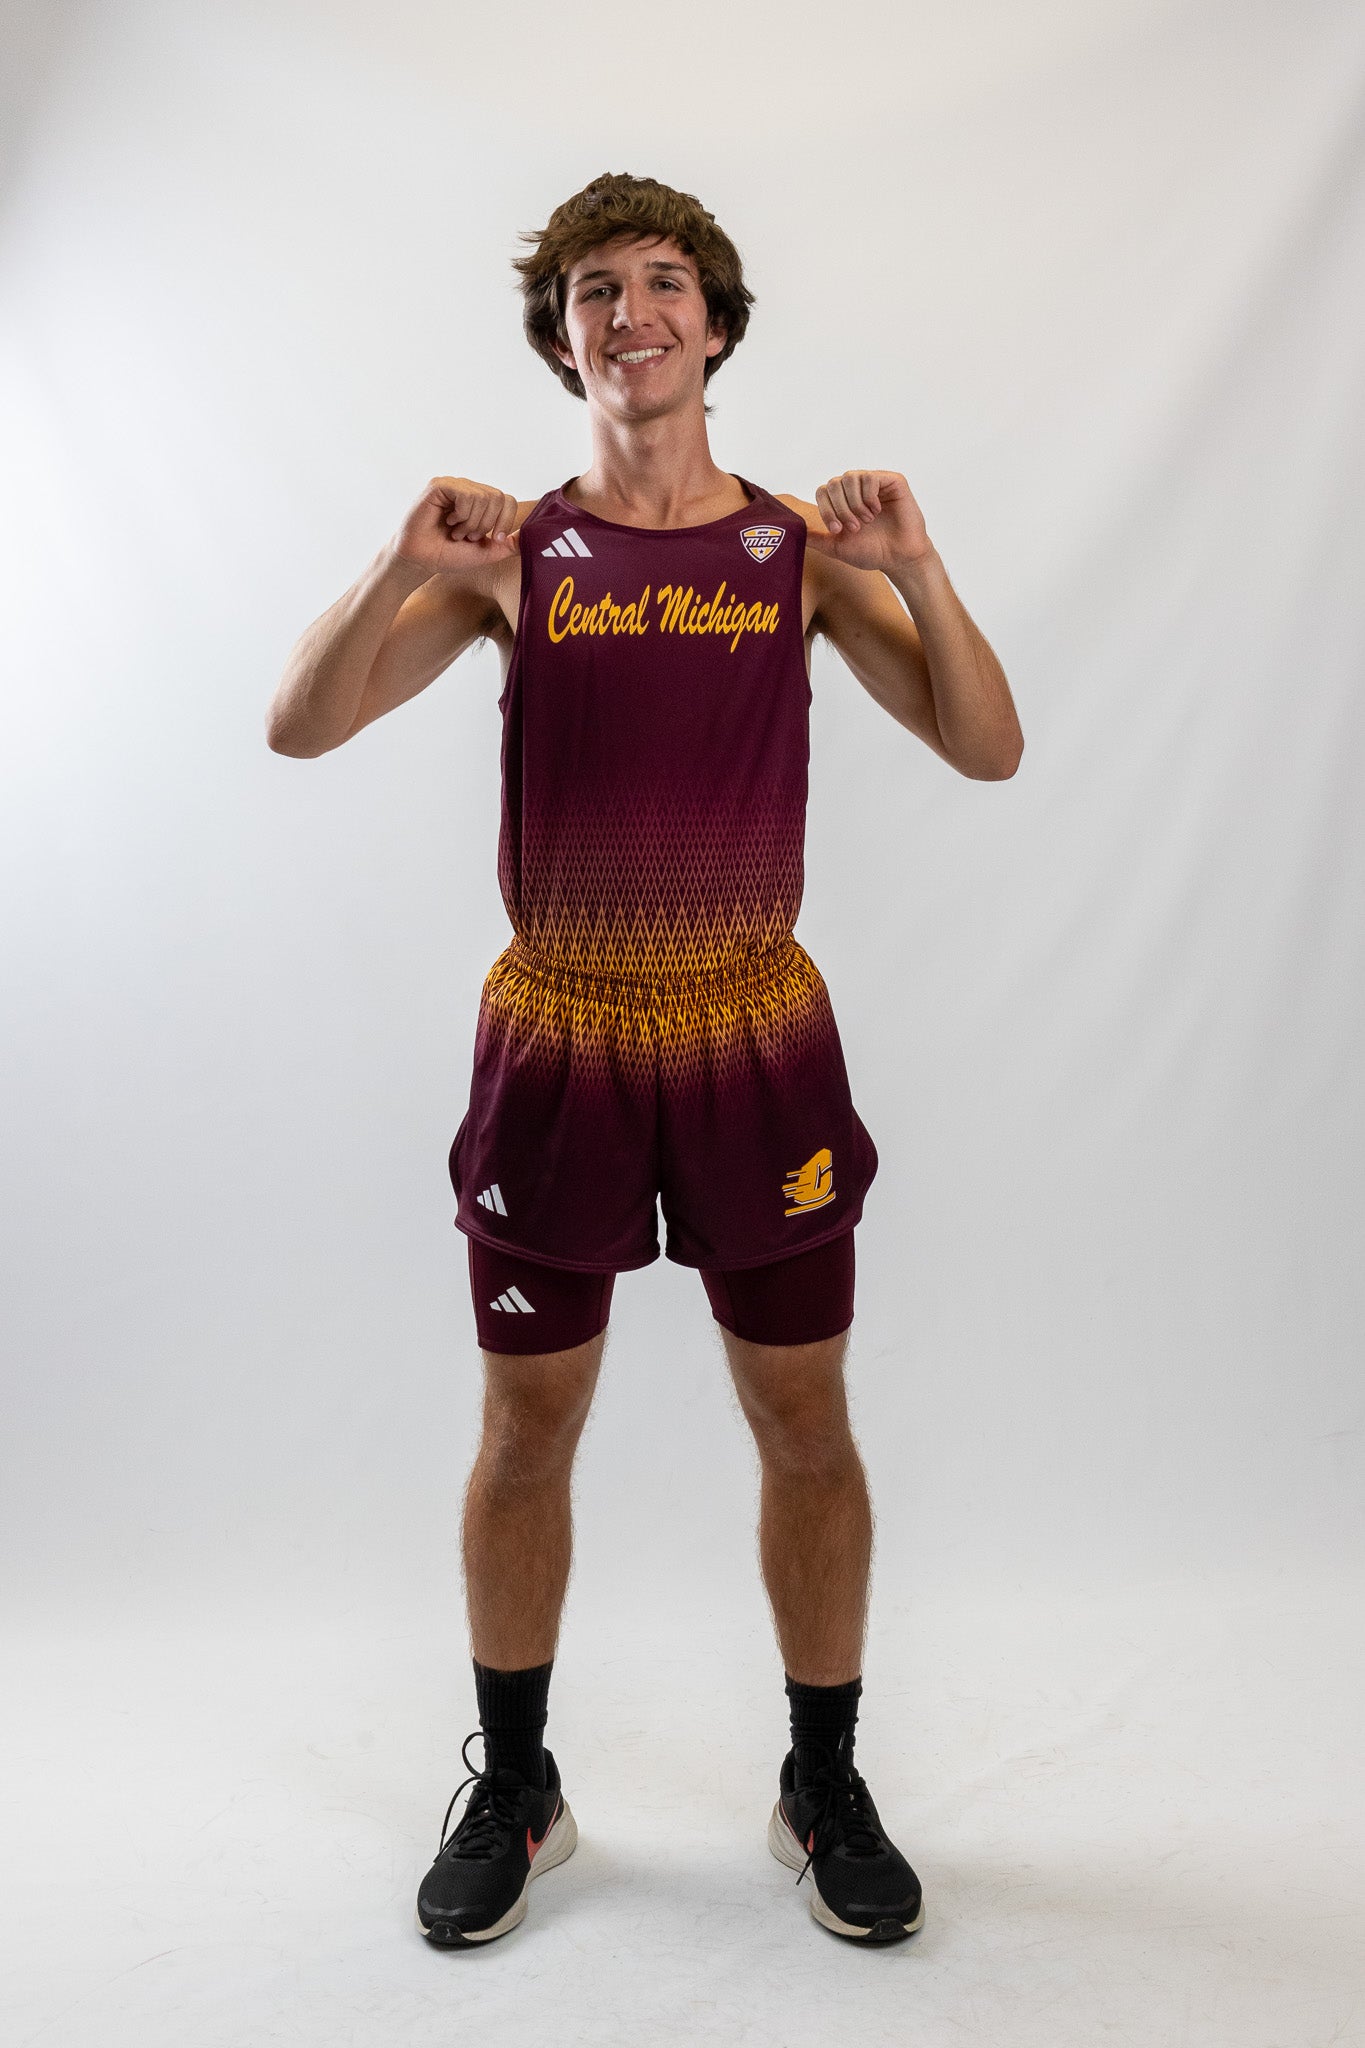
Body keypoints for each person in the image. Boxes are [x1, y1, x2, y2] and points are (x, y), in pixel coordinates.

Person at [267, 170, 1022, 1950]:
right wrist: (398, 561)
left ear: (718, 324)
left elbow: (985, 746)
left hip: (753, 1029)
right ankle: (518, 1786)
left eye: (665, 281)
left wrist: (918, 565)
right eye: (595, 289)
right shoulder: (512, 554)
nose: (632, 312)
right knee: (526, 1428)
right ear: (563, 340)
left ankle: (819, 1780)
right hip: (565, 1033)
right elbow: (299, 727)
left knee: (802, 1419)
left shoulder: (799, 551)